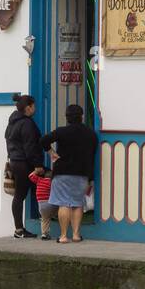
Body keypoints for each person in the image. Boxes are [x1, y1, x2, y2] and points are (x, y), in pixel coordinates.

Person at [41, 105, 98, 244]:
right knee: (78, 203)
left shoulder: (62, 131)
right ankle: (77, 235)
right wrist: (90, 176)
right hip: (82, 173)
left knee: (63, 203)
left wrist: (51, 153)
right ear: (82, 116)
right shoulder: (91, 134)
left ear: (67, 118)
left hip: (62, 172)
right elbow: (92, 155)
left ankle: (63, 236)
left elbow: (43, 140)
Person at [4, 94, 45, 238]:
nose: (35, 109)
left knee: (19, 196)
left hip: (15, 162)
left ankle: (19, 229)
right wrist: (38, 165)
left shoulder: (12, 123)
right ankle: (22, 229)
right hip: (25, 164)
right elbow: (30, 147)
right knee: (32, 192)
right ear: (28, 107)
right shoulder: (27, 123)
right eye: (34, 106)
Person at [29, 160, 57, 241]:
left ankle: (44, 234)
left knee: (45, 219)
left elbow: (30, 176)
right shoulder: (52, 183)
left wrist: (36, 171)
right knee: (60, 208)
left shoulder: (39, 180)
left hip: (41, 205)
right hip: (50, 204)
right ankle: (57, 216)